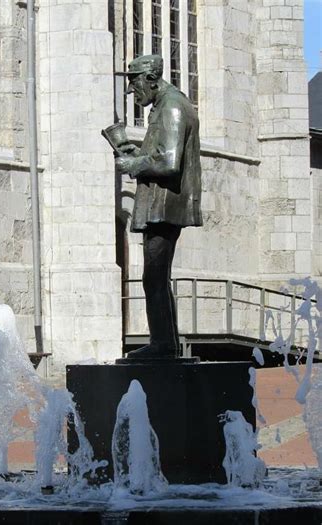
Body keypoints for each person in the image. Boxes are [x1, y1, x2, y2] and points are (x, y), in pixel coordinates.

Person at [115, 55, 203, 358]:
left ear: (150, 78)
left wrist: (133, 163)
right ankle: (166, 344)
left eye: (135, 84)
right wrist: (136, 151)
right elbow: (161, 151)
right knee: (157, 277)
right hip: (160, 204)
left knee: (153, 276)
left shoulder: (172, 106)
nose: (133, 92)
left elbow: (168, 162)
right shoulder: (165, 105)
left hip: (165, 206)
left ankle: (163, 345)